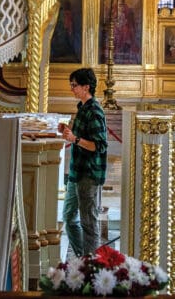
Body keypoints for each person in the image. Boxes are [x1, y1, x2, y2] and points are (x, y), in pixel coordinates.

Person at [60, 67, 107, 258]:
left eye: (74, 85)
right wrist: (68, 132)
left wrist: (75, 139)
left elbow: (99, 145)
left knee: (88, 222)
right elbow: (78, 136)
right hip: (76, 172)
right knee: (69, 216)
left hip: (88, 173)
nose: (72, 89)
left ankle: (91, 264)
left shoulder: (94, 111)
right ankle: (82, 257)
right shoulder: (83, 108)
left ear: (86, 87)